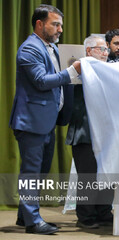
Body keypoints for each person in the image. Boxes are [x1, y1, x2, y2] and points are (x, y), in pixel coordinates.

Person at [9, 4, 81, 235]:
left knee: (38, 173)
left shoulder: (50, 47)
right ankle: (33, 222)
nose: (60, 29)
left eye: (61, 24)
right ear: (39, 24)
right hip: (31, 122)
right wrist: (72, 72)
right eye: (55, 24)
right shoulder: (29, 48)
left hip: (45, 121)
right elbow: (41, 81)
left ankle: (24, 216)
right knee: (31, 173)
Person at [66, 35, 114, 229]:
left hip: (107, 132)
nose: (105, 53)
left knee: (108, 173)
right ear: (88, 51)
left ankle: (104, 212)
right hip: (84, 131)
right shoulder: (77, 70)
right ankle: (86, 217)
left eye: (106, 50)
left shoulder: (109, 70)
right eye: (101, 49)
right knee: (88, 177)